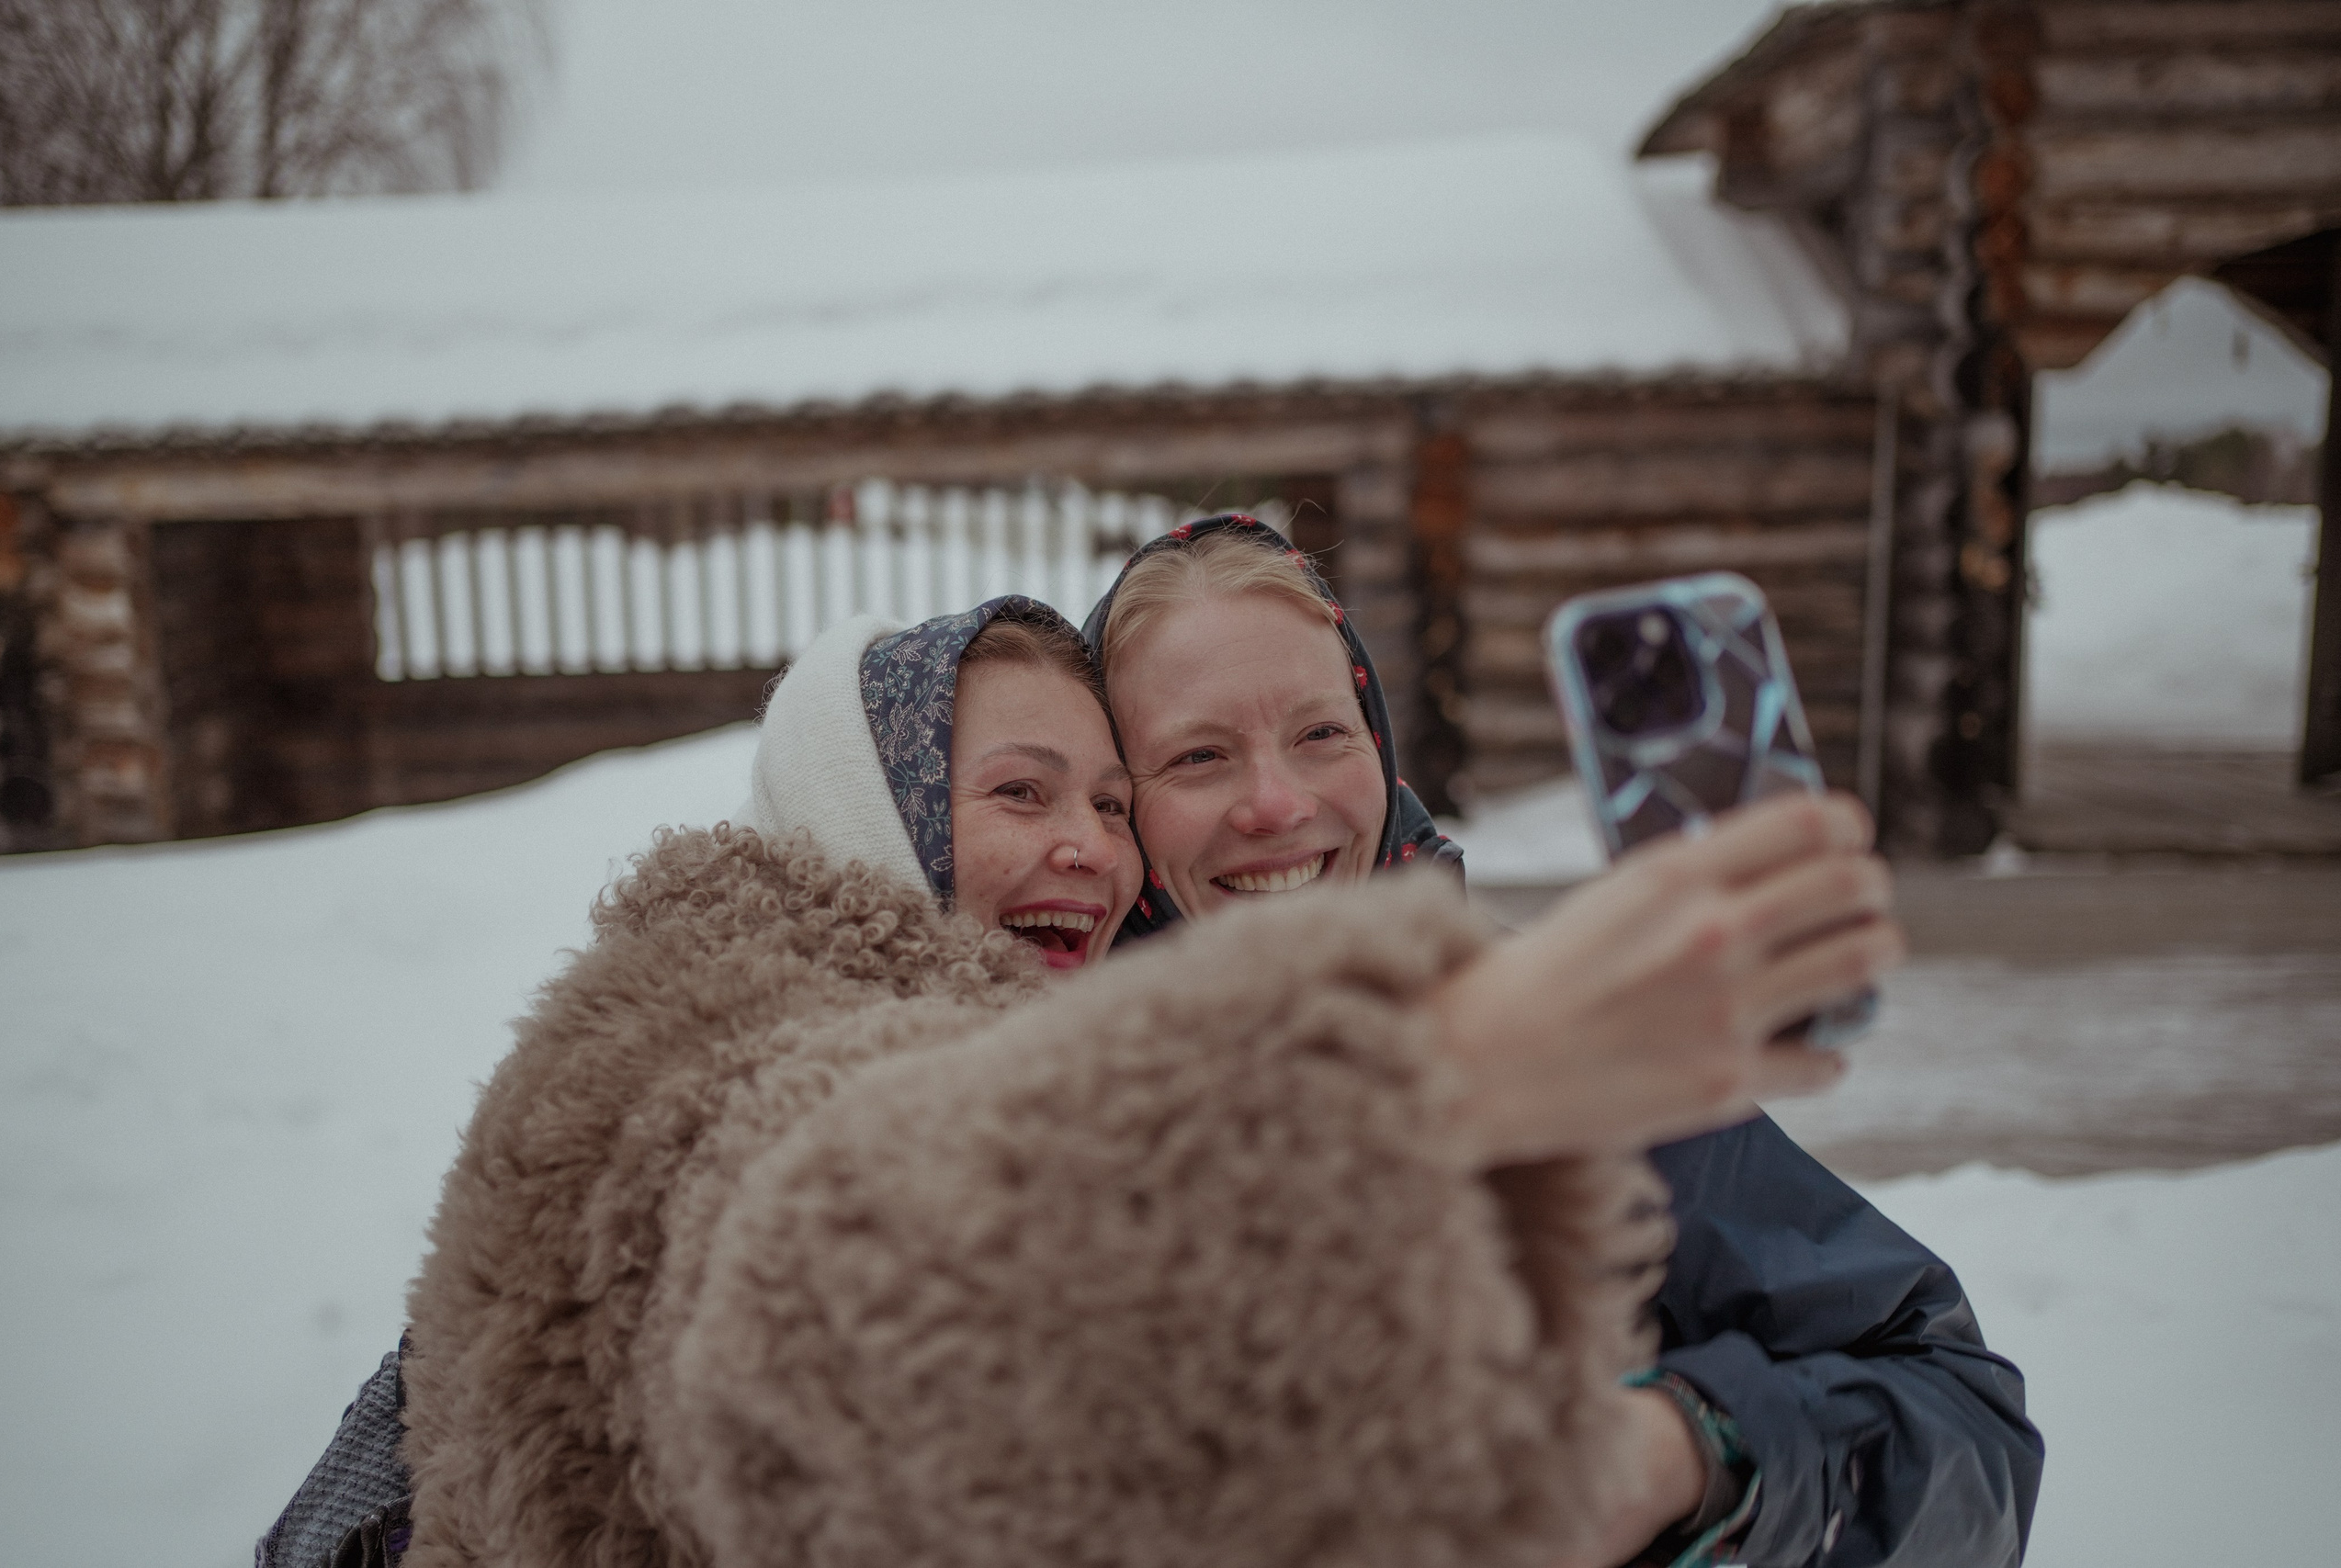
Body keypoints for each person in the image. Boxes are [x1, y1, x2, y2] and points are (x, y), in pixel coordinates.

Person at [305, 589, 1891, 1568]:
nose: (1092, 841)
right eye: (1022, 792)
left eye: (1111, 796)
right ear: (872, 811)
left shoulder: (1040, 1033)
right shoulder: (709, 1047)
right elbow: (830, 1277)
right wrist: (1418, 1078)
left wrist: (1688, 1455)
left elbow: (1939, 1396)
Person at [1082, 514, 2045, 1568]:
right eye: (1198, 755)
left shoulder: (1565, 1045)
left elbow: (1962, 1422)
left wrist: (1689, 1451)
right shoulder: (1032, 1115)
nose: (1277, 802)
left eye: (1321, 734)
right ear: (1116, 809)